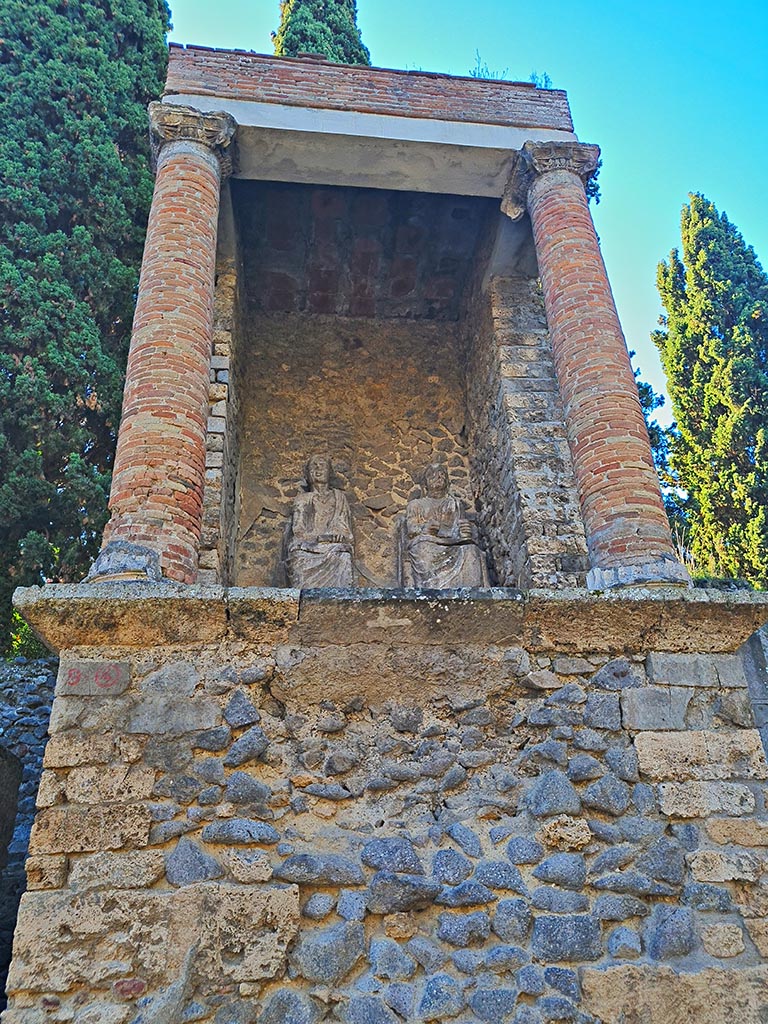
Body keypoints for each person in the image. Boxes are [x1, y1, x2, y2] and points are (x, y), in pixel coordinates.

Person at [405, 463, 487, 588]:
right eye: (432, 475)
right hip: (427, 543)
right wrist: (424, 529)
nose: (438, 477)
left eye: (442, 474)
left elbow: (460, 530)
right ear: (425, 484)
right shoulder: (416, 505)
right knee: (423, 550)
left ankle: (471, 588)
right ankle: (430, 585)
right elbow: (411, 529)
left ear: (447, 481)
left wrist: (465, 530)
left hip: (452, 543)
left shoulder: (455, 504)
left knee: (471, 550)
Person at [287, 454, 354, 587]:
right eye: (314, 466)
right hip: (308, 546)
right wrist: (318, 538)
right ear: (308, 474)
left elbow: (345, 530)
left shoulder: (339, 498)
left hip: (332, 546)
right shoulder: (302, 499)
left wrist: (338, 536)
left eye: (322, 466)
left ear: (330, 472)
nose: (318, 469)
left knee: (342, 554)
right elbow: (298, 531)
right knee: (298, 556)